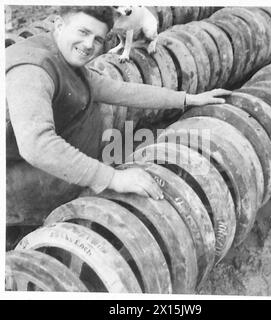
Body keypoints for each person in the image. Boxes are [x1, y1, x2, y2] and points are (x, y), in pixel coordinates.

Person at [6, 6, 231, 225]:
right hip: (21, 179)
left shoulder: (65, 57)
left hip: (58, 166)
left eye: (97, 39)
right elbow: (37, 145)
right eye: (83, 32)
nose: (88, 45)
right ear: (58, 25)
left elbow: (122, 91)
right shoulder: (31, 71)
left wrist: (186, 99)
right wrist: (114, 178)